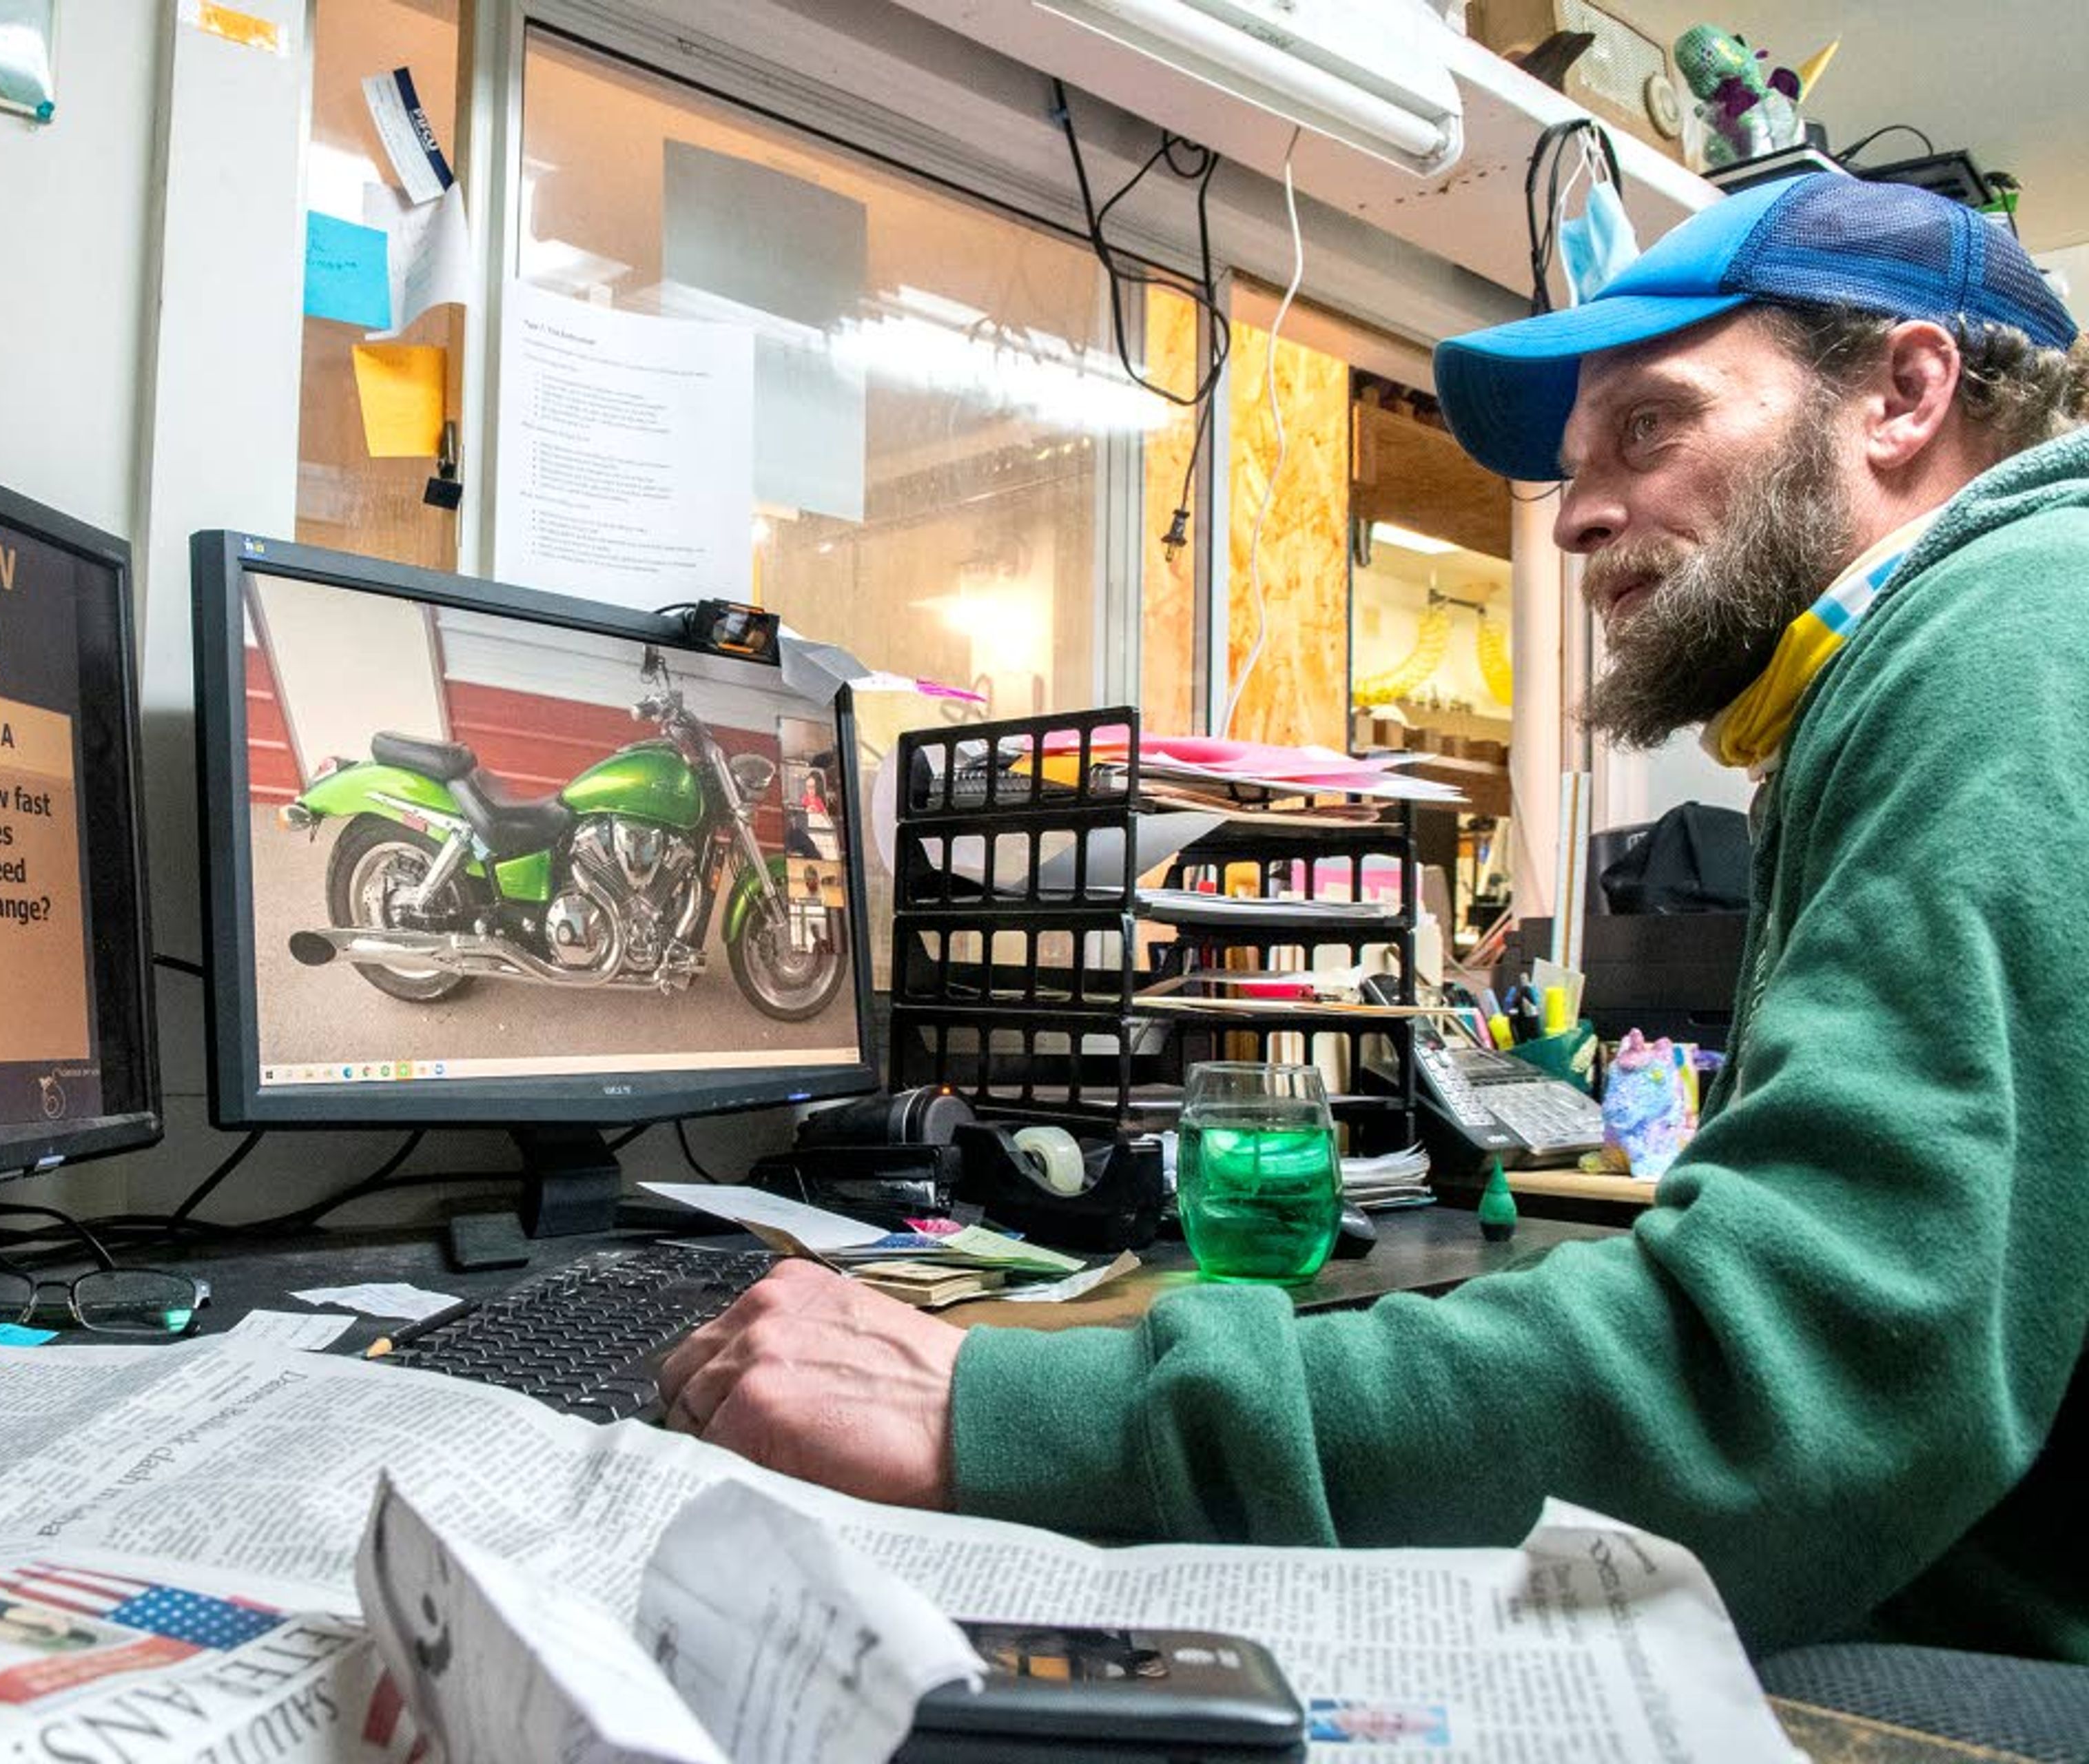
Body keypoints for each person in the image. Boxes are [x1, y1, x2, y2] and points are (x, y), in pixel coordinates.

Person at [659, 174, 2089, 1663]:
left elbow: (1803, 1376)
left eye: (1652, 424)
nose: (1583, 514)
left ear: (1906, 392)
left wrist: (1000, 1406)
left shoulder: (2009, 640)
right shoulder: (1960, 649)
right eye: (1577, 465)